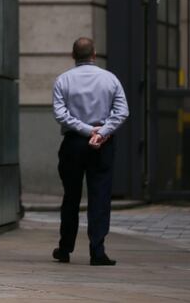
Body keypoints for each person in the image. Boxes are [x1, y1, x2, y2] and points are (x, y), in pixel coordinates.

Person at [52, 37, 129, 266]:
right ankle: (97, 251)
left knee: (71, 197)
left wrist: (86, 130)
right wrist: (101, 132)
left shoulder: (63, 80)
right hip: (102, 145)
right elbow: (122, 111)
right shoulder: (110, 79)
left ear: (73, 55)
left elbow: (60, 113)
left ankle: (65, 249)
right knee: (100, 197)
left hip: (73, 143)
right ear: (94, 54)